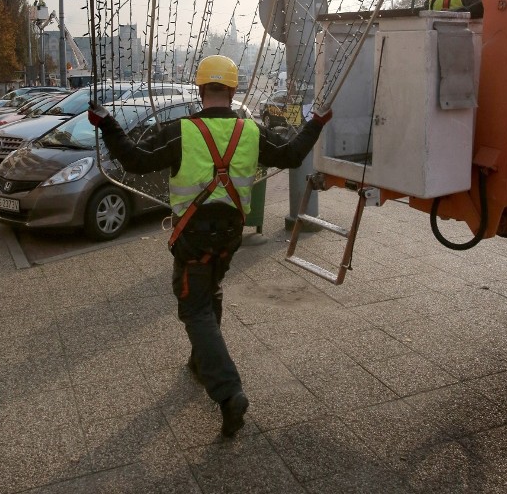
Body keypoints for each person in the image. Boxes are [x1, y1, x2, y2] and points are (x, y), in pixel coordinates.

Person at [88, 54, 331, 438]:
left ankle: (228, 391)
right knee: (210, 288)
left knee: (194, 306)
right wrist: (315, 124)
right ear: (233, 91)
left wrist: (108, 125)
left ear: (200, 89)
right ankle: (200, 362)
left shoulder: (180, 131)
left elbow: (134, 160)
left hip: (193, 233)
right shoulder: (251, 131)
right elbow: (291, 154)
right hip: (232, 231)